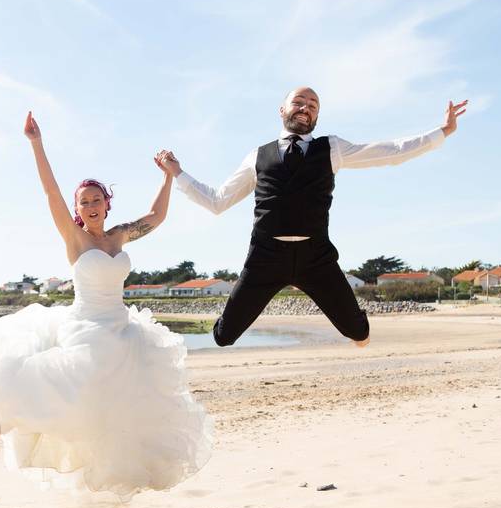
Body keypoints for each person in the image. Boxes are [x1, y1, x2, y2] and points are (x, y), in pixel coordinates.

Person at [0, 112, 211, 498]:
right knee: (76, 378)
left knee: (123, 406)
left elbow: (156, 217)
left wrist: (167, 177)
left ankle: (115, 471)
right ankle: (13, 415)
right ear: (79, 209)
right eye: (84, 202)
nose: (90, 205)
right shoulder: (75, 239)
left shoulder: (119, 237)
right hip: (86, 325)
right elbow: (50, 193)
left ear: (107, 204)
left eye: (96, 200)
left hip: (122, 328)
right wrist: (36, 143)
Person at [158, 87, 467, 347]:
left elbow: (391, 151)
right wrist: (178, 174)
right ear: (282, 110)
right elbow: (217, 201)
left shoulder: (332, 147)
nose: (305, 108)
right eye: (299, 102)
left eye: (313, 105)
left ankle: (357, 325)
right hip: (265, 256)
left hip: (315, 256)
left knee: (359, 332)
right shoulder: (258, 156)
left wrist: (443, 132)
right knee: (223, 338)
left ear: (317, 117)